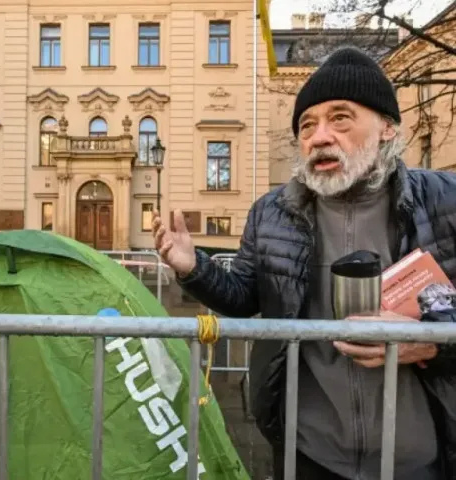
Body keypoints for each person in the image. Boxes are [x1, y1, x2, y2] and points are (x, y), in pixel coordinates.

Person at [151, 46, 456, 480]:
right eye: (307, 125)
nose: (319, 136)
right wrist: (192, 266)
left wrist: (433, 342)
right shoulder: (272, 212)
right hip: (308, 454)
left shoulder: (445, 201)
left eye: (341, 118)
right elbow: (244, 297)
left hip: (423, 459)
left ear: (387, 127)